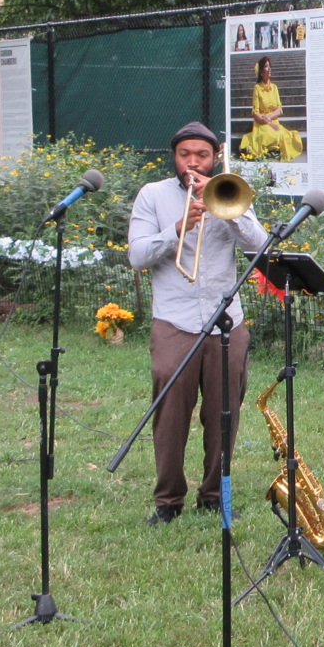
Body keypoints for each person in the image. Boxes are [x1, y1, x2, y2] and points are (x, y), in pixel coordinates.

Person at [127, 122, 270, 524]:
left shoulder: (230, 189)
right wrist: (178, 228)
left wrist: (230, 211)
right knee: (170, 412)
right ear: (174, 156)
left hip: (226, 320)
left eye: (201, 155)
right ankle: (168, 500)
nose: (192, 161)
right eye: (185, 154)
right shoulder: (153, 196)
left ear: (215, 158)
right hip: (175, 319)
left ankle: (214, 494)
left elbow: (259, 245)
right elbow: (137, 256)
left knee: (225, 413)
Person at [238, 57, 304, 161]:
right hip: (262, 122)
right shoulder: (257, 88)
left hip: (272, 119)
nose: (269, 69)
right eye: (266, 66)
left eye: (269, 66)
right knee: (269, 134)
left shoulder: (275, 87)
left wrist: (270, 117)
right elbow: (255, 112)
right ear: (261, 71)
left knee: (283, 135)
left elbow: (279, 109)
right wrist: (268, 122)